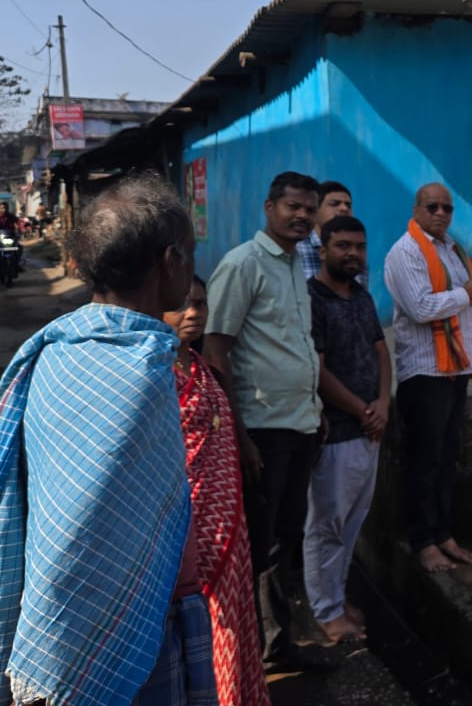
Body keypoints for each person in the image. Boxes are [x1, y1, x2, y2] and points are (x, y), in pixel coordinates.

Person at [0, 172, 214, 705]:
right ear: (169, 261)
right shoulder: (137, 373)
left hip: (114, 601)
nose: (190, 263)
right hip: (115, 627)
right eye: (188, 252)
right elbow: (79, 535)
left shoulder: (64, 346)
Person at [203, 171, 325, 673]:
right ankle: (249, 655)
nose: (301, 216)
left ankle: (277, 644)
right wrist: (239, 434)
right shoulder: (243, 264)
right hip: (262, 429)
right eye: (292, 206)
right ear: (269, 207)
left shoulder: (296, 265)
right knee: (260, 543)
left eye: (308, 209)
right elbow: (215, 349)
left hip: (301, 423)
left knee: (287, 536)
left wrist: (317, 415)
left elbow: (295, 347)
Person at [164, 275, 270, 706]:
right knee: (202, 630)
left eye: (201, 304)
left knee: (232, 620)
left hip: (228, 525)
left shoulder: (203, 371)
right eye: (183, 305)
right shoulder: (156, 377)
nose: (194, 313)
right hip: (188, 534)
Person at [384, 182, 472, 573]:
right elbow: (420, 307)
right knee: (423, 460)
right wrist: (469, 292)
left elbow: (461, 299)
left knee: (447, 459)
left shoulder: (451, 249)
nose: (440, 213)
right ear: (416, 209)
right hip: (426, 371)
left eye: (447, 208)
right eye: (432, 206)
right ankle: (422, 541)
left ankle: (443, 532)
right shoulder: (406, 252)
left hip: (456, 368)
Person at [303, 215, 391, 643]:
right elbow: (317, 371)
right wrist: (362, 410)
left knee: (352, 525)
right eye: (343, 246)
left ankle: (336, 600)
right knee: (327, 527)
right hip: (336, 432)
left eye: (359, 246)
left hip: (370, 429)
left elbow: (381, 352)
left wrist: (384, 405)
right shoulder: (312, 299)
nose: (352, 253)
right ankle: (325, 613)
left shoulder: (361, 296)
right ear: (323, 251)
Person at [300, 180, 354, 280]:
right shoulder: (297, 248)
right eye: (335, 203)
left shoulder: (355, 253)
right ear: (315, 210)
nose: (344, 208)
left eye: (348, 205)